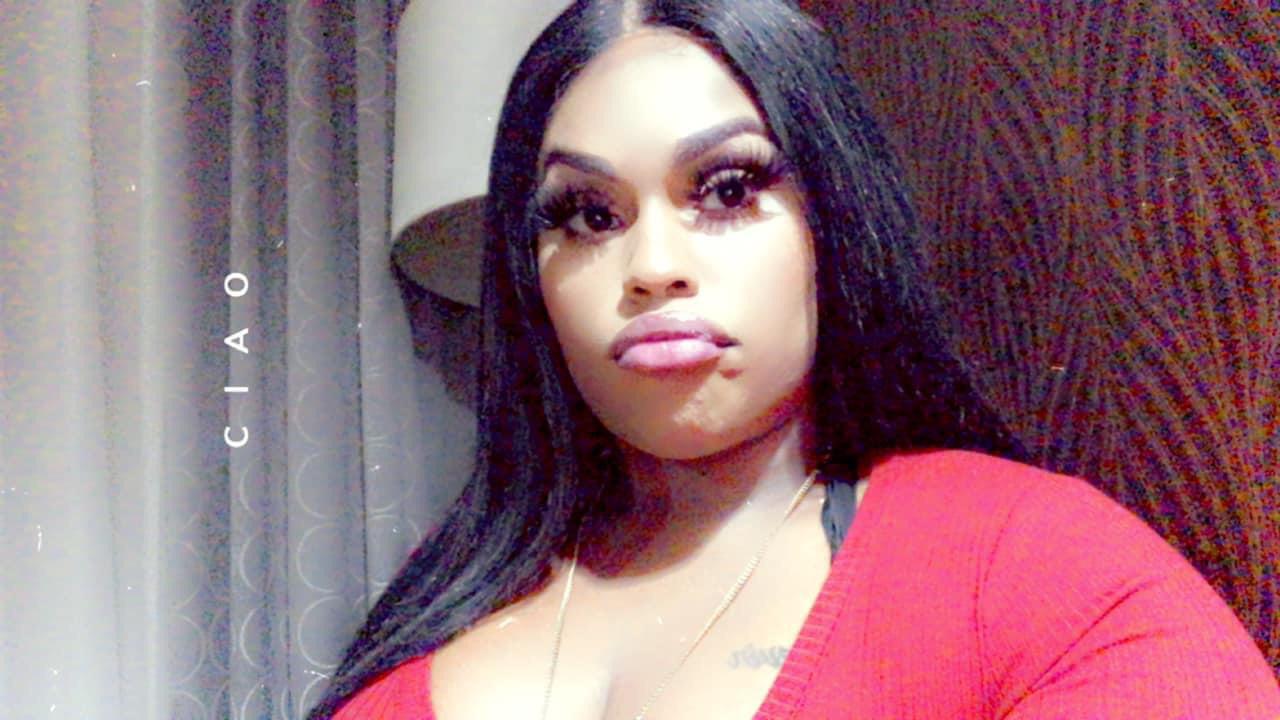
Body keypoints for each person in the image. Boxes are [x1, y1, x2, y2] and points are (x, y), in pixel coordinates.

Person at [311, 1, 1280, 717]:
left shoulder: (1027, 565)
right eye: (588, 215)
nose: (650, 267)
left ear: (833, 218)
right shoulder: (437, 608)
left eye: (727, 189)